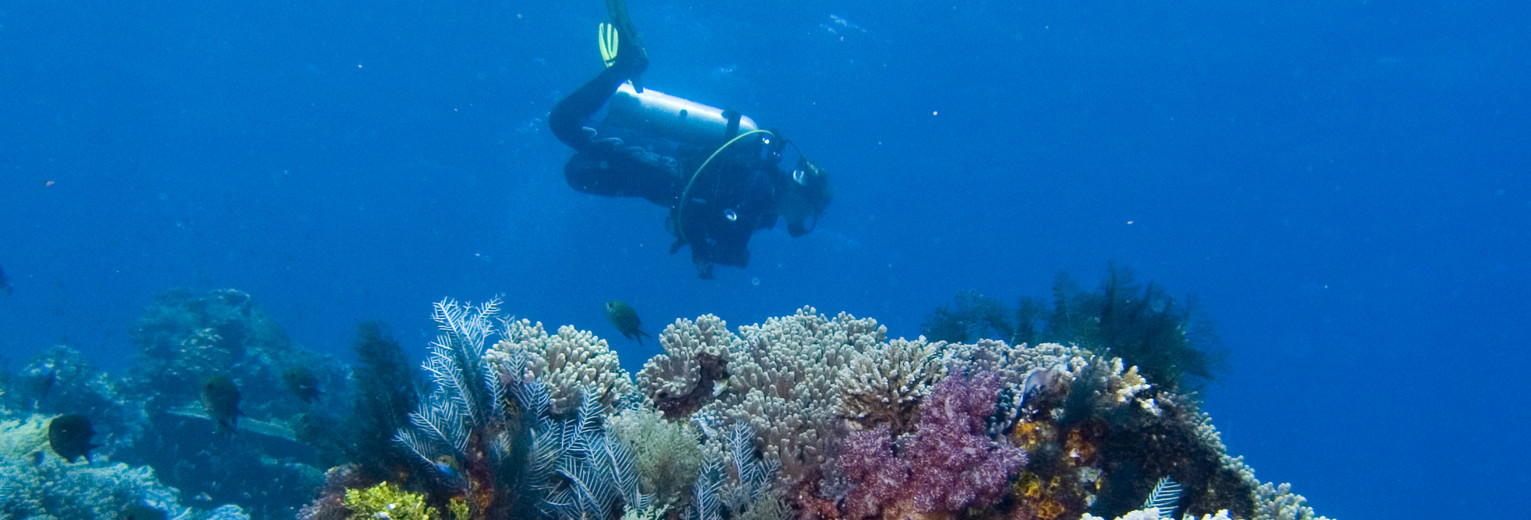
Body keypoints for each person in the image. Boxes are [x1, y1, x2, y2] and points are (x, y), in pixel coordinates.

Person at [548, 2, 832, 279]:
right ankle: (624, 67)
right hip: (666, 165)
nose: (802, 218)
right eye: (809, 210)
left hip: (659, 186)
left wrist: (704, 250)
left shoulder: (764, 211)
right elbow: (729, 231)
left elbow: (708, 222)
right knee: (563, 122)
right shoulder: (765, 186)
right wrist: (727, 252)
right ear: (800, 193)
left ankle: (619, 110)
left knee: (577, 173)